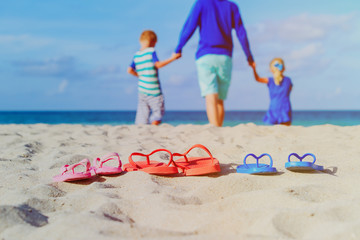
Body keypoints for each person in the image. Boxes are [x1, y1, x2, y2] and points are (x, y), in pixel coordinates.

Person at [174, 0, 255, 127]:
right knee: (220, 100)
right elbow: (241, 33)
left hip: (205, 56)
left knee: (210, 96)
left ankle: (215, 129)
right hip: (225, 57)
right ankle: (219, 128)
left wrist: (178, 48)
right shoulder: (232, 6)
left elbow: (189, 26)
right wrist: (249, 56)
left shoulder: (201, 3)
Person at [128, 30, 180, 125]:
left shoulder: (137, 55)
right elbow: (158, 65)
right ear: (153, 41)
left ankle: (142, 128)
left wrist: (140, 76)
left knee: (142, 114)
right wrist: (173, 58)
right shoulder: (151, 51)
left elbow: (130, 70)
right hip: (154, 90)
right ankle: (153, 127)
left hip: (142, 90)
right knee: (158, 112)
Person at [251, 58, 293, 125]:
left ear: (271, 69)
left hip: (274, 107)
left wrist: (254, 69)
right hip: (285, 107)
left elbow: (257, 79)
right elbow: (290, 90)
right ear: (283, 68)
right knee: (286, 131)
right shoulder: (288, 80)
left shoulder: (270, 80)